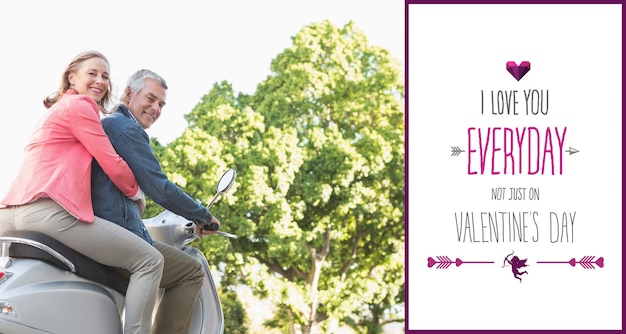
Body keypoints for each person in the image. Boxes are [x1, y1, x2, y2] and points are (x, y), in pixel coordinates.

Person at [0, 51, 164, 334]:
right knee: (149, 261)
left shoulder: (54, 111)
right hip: (47, 213)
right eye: (93, 73)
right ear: (71, 76)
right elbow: (111, 162)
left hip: (9, 213)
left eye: (105, 76)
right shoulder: (81, 106)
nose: (100, 81)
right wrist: (136, 194)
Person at [91, 68, 221, 334]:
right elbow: (159, 188)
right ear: (128, 93)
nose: (156, 108)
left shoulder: (110, 125)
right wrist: (203, 216)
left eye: (161, 104)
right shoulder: (124, 128)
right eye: (150, 99)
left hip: (108, 227)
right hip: (118, 233)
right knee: (191, 270)